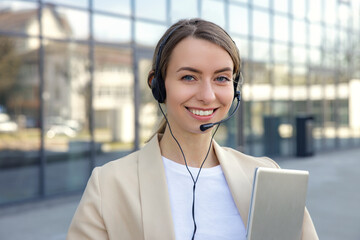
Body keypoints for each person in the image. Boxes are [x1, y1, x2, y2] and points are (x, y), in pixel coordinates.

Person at [67, 18, 318, 240]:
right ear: (159, 87)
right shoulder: (110, 184)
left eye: (221, 78)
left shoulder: (266, 176)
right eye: (189, 77)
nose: (208, 96)